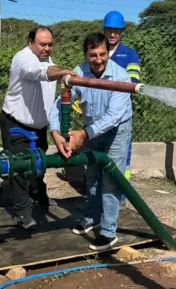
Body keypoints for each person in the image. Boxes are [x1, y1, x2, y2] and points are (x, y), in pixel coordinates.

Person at [49, 32, 132, 250]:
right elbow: (60, 104)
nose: (98, 60)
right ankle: (93, 217)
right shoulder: (78, 73)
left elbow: (114, 117)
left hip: (115, 131)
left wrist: (84, 134)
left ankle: (108, 231)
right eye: (92, 55)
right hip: (91, 129)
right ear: (86, 54)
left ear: (108, 52)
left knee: (111, 179)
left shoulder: (121, 77)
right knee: (92, 175)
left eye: (102, 54)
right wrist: (56, 132)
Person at [0, 26, 77, 230]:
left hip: (38, 127)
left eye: (50, 44)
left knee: (39, 166)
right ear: (30, 42)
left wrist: (61, 73)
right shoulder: (23, 58)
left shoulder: (48, 60)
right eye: (42, 44)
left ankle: (39, 196)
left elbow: (49, 69)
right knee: (20, 169)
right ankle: (23, 213)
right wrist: (63, 72)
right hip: (17, 123)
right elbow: (39, 72)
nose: (47, 48)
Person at [102, 10, 140, 183]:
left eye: (116, 30)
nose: (112, 34)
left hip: (120, 112)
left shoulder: (129, 54)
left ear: (122, 32)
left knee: (123, 152)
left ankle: (122, 192)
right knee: (101, 150)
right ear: (104, 30)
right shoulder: (98, 51)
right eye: (109, 29)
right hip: (100, 111)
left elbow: (132, 82)